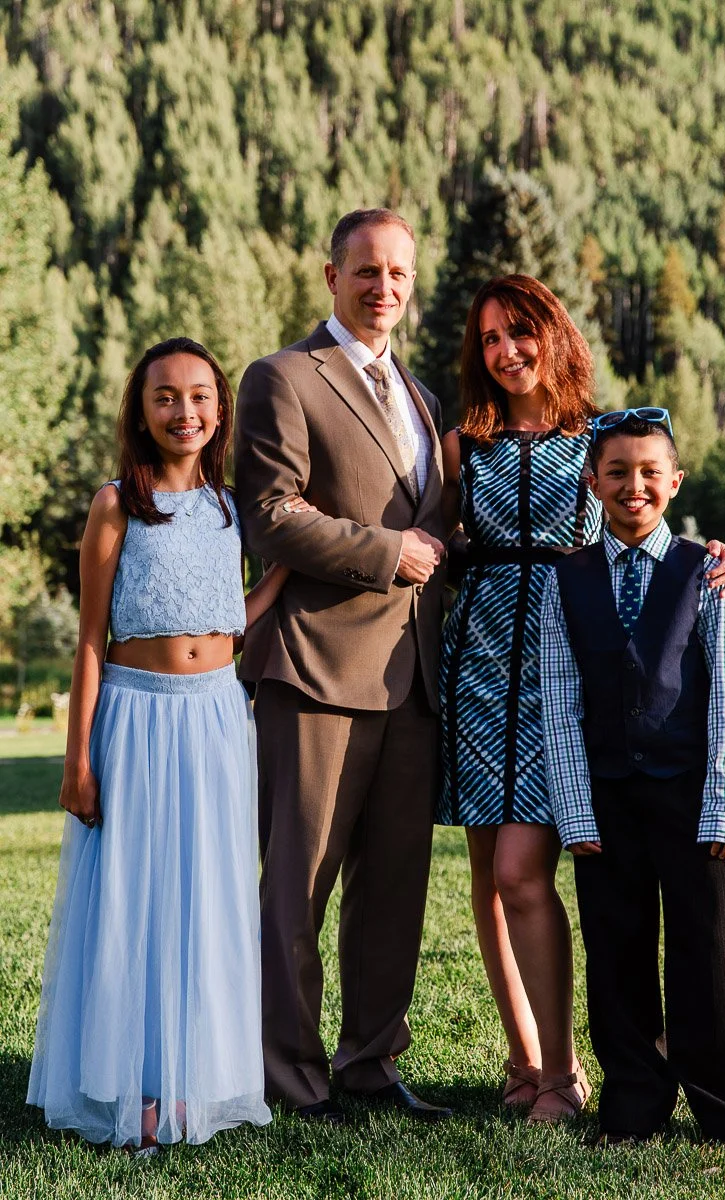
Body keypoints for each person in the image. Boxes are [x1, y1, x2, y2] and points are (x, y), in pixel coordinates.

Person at [436, 276, 725, 1122]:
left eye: (521, 334)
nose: (507, 353)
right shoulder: (465, 442)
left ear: (554, 337)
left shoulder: (591, 439)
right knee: (487, 880)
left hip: (568, 667)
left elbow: (645, 507)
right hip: (480, 660)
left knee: (522, 872)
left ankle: (567, 1070)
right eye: (491, 339)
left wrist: (718, 558)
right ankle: (524, 1060)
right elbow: (443, 536)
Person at [27, 337, 272, 1153]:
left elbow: (230, 607)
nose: (185, 412)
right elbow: (90, 640)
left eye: (200, 396)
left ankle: (188, 1079)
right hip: (135, 717)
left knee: (203, 894)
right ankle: (125, 1084)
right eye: (165, 397)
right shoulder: (115, 505)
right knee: (134, 896)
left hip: (213, 718)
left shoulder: (231, 508)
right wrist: (77, 760)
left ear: (221, 410)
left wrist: (282, 585)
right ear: (140, 409)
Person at [234, 209, 450, 1124]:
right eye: (367, 271)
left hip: (414, 679)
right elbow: (270, 513)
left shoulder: (424, 397)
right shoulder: (283, 377)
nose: (384, 287)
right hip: (315, 669)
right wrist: (385, 550)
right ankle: (289, 1076)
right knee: (298, 887)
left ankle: (369, 1062)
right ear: (332, 276)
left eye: (399, 273)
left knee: (394, 887)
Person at [540, 411, 725, 1152]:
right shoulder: (566, 579)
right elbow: (558, 696)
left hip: (691, 794)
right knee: (617, 950)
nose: (632, 486)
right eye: (617, 472)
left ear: (673, 482)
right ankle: (633, 1104)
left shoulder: (705, 570)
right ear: (594, 481)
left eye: (649, 473)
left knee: (709, 953)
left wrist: (724, 809)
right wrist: (576, 813)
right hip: (606, 798)